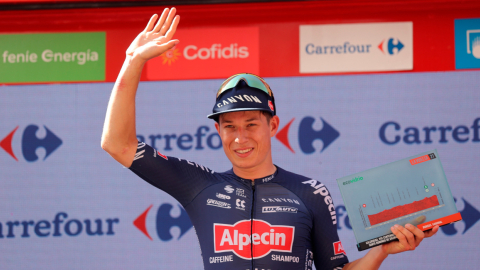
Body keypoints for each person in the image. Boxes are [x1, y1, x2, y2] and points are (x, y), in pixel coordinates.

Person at [101, 7, 439, 270]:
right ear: (218, 130)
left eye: (251, 124)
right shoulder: (198, 185)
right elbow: (118, 145)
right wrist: (132, 62)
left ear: (273, 125)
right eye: (230, 126)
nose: (240, 137)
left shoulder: (310, 192)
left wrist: (381, 251)